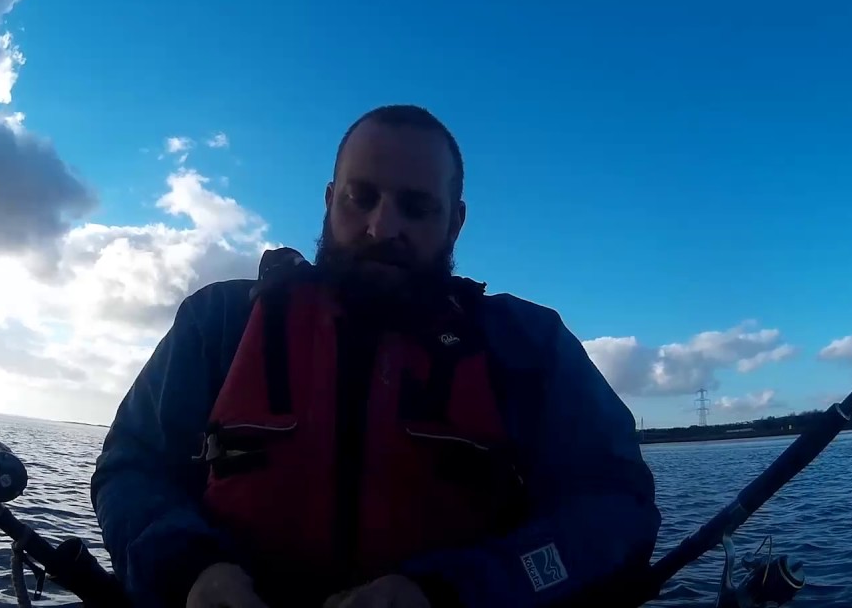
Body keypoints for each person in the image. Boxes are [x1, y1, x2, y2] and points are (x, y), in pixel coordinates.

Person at [91, 105, 661, 608]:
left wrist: (454, 591)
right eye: (360, 198)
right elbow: (131, 469)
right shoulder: (218, 323)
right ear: (328, 200)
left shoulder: (529, 346)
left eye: (415, 208)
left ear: (455, 221)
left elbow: (616, 508)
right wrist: (191, 570)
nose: (381, 226)